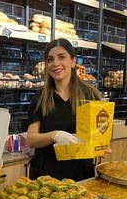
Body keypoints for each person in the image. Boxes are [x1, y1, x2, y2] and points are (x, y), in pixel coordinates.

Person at [26, 38, 102, 181]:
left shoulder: (90, 95)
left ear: (73, 62)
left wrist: (100, 145)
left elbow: (99, 133)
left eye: (62, 57)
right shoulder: (41, 97)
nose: (55, 63)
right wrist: (55, 135)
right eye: (50, 59)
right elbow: (31, 139)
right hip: (46, 178)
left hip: (81, 176)